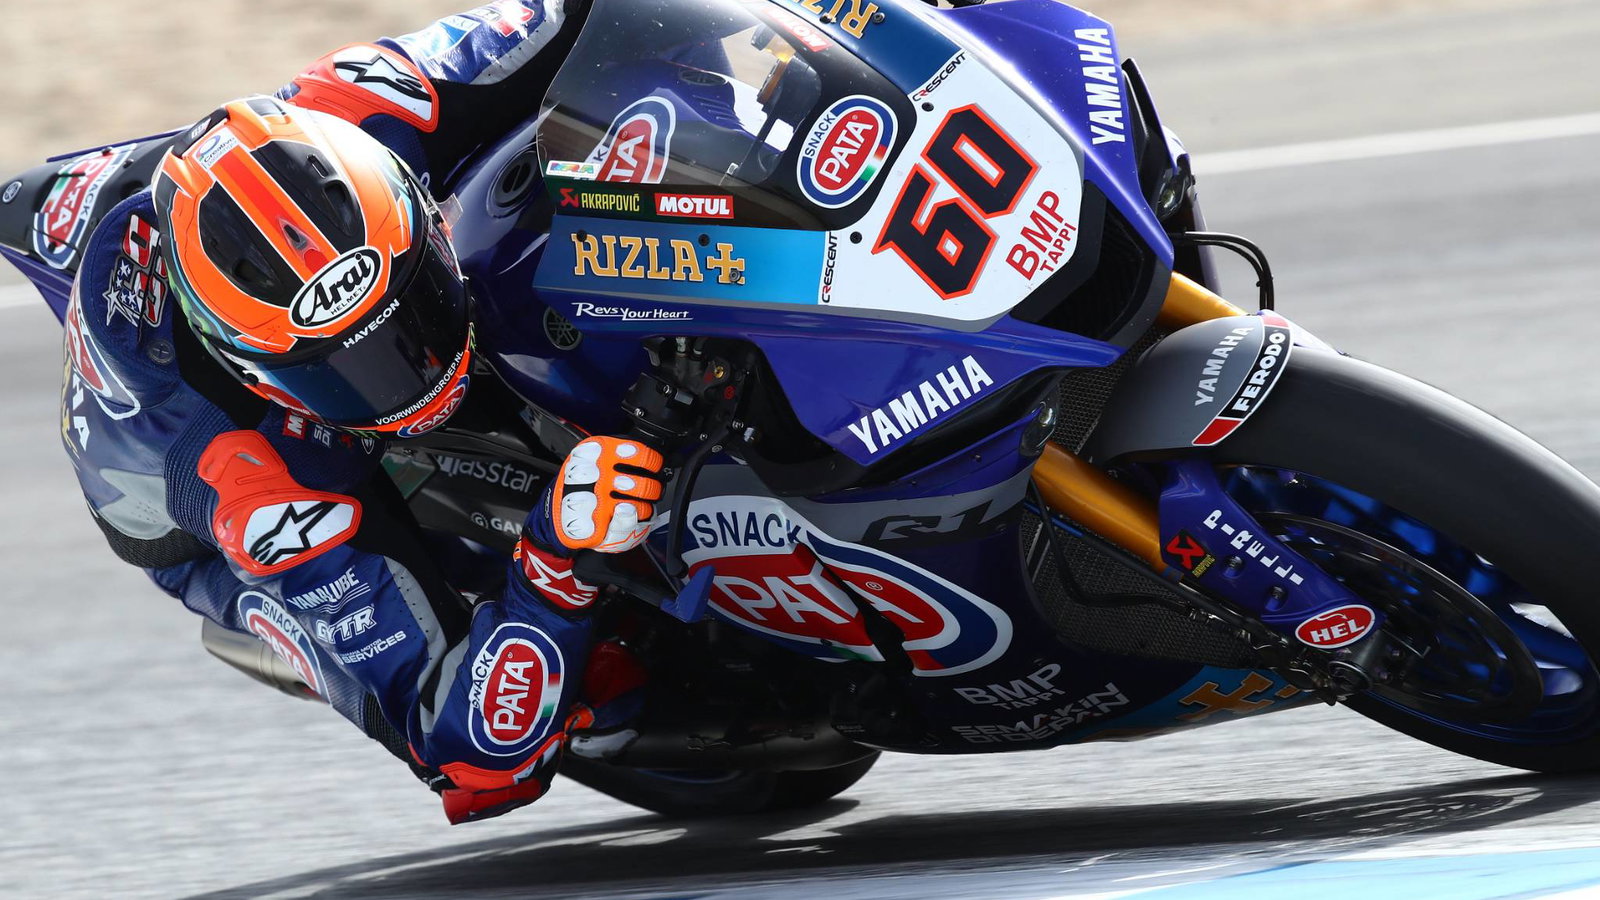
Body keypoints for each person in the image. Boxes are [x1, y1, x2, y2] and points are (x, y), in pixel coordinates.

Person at [55, 0, 664, 823]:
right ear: (255, 370)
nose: (416, 376)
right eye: (346, 369)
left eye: (414, 306)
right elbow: (472, 761)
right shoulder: (250, 483)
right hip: (218, 492)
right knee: (613, 684)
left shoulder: (372, 101)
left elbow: (588, 12)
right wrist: (552, 573)